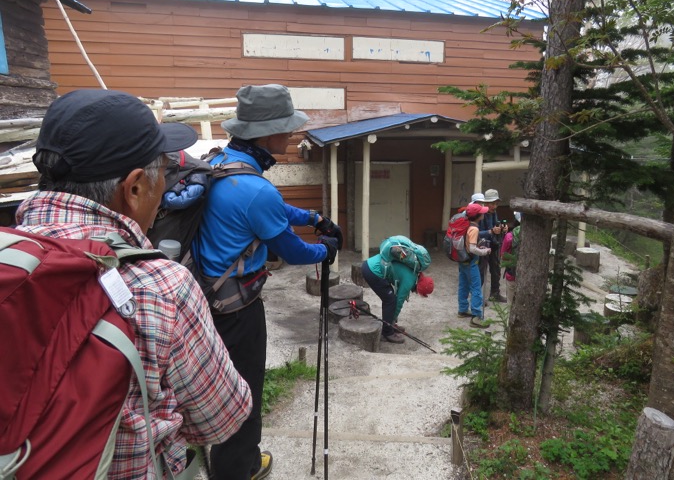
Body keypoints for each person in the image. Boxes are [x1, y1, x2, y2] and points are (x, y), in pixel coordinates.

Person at [17, 89, 252, 479]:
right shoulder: (160, 286)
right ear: (136, 187)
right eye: (164, 174)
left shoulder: (10, 259)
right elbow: (221, 418)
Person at [191, 84, 341, 480]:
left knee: (222, 387)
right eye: (286, 128)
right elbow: (293, 251)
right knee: (245, 392)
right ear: (267, 134)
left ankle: (229, 462)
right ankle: (239, 470)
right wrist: (325, 249)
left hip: (206, 297)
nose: (291, 135)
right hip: (237, 311)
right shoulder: (257, 189)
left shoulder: (223, 162)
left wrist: (312, 218)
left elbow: (268, 209)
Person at [361, 236, 434, 344]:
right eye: (420, 293)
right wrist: (392, 320)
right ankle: (387, 332)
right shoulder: (410, 280)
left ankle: (390, 325)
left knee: (390, 299)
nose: (417, 293)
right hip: (372, 271)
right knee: (390, 300)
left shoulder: (414, 271)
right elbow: (399, 301)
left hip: (370, 265)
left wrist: (393, 320)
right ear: (420, 288)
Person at [457, 202, 493, 328]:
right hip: (471, 262)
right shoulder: (474, 229)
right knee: (476, 288)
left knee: (463, 285)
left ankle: (462, 309)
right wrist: (484, 251)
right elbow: (472, 249)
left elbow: (468, 245)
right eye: (482, 212)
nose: (484, 213)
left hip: (462, 260)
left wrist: (478, 247)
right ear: (478, 216)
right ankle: (476, 317)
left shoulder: (465, 225)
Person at [476, 189, 508, 303]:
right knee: (481, 272)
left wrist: (502, 228)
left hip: (493, 245)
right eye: (492, 203)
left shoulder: (493, 213)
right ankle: (478, 297)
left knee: (496, 270)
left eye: (496, 203)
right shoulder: (479, 213)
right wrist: (490, 231)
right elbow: (475, 233)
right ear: (486, 203)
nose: (494, 206)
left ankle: (495, 294)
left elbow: (495, 224)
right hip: (482, 246)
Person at [500, 212, 522, 307]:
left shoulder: (509, 236)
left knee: (510, 303)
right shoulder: (533, 235)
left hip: (512, 273)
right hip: (527, 275)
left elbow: (503, 255)